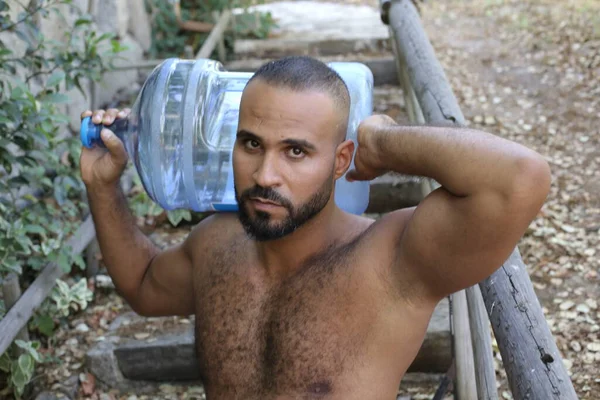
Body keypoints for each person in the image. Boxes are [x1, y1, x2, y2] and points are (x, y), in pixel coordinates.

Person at [80, 56, 551, 399]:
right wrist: (103, 188)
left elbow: (519, 179)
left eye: (296, 151)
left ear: (341, 159)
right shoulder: (217, 243)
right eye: (251, 144)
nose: (266, 175)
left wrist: (382, 143)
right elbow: (142, 284)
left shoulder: (391, 261)